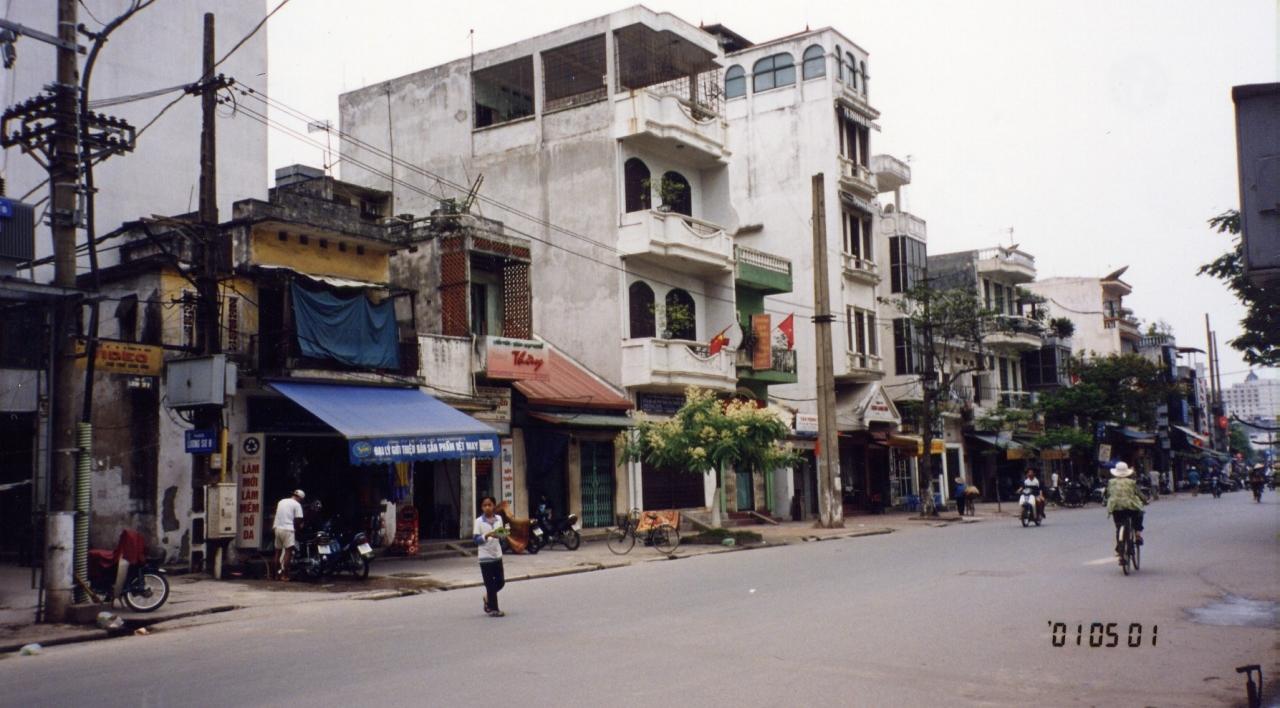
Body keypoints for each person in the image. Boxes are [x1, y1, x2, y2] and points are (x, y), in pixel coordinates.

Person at [474, 495, 507, 617]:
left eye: (489, 505)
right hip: (485, 557)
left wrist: (502, 535)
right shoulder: (478, 521)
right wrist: (487, 535)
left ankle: (487, 597)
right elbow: (476, 539)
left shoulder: (499, 519)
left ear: (494, 506)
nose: (487, 507)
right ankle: (494, 609)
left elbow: (502, 534)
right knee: (490, 584)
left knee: (500, 581)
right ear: (481, 507)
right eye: (485, 505)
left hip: (497, 555)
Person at [1106, 462, 1145, 562]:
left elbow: (1107, 494)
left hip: (1116, 507)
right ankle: (1138, 534)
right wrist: (1145, 500)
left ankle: (1120, 549)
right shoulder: (1131, 482)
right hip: (1130, 507)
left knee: (1119, 527)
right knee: (1140, 512)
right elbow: (1139, 493)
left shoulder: (1111, 482)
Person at [273, 489, 305, 581]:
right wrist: (299, 526)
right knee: (288, 553)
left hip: (277, 528)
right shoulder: (297, 504)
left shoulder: (281, 501)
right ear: (300, 498)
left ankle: (276, 575)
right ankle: (285, 575)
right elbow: (298, 519)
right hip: (288, 529)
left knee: (277, 552)